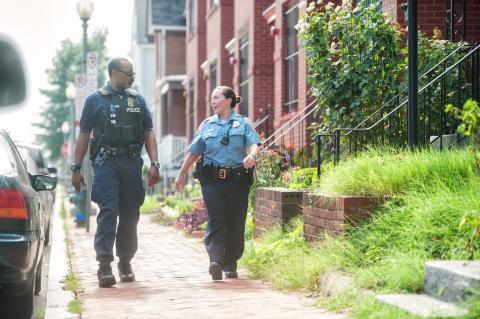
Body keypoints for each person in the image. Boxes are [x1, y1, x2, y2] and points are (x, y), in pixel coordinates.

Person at [71, 57, 160, 288]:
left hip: (131, 163)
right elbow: (84, 134)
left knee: (131, 214)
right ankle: (104, 265)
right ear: (113, 73)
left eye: (133, 72)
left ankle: (125, 261)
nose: (132, 76)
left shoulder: (137, 100)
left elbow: (148, 132)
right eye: (128, 72)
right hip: (106, 163)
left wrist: (154, 163)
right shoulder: (95, 100)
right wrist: (76, 168)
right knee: (108, 211)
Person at [175, 86, 259, 280]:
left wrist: (253, 155)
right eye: (211, 98)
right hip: (212, 181)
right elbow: (194, 152)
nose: (212, 101)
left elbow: (253, 144)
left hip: (237, 180)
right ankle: (216, 261)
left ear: (228, 100)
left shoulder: (243, 123)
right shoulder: (206, 125)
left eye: (216, 98)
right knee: (216, 217)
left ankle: (231, 262)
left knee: (235, 220)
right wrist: (181, 173)